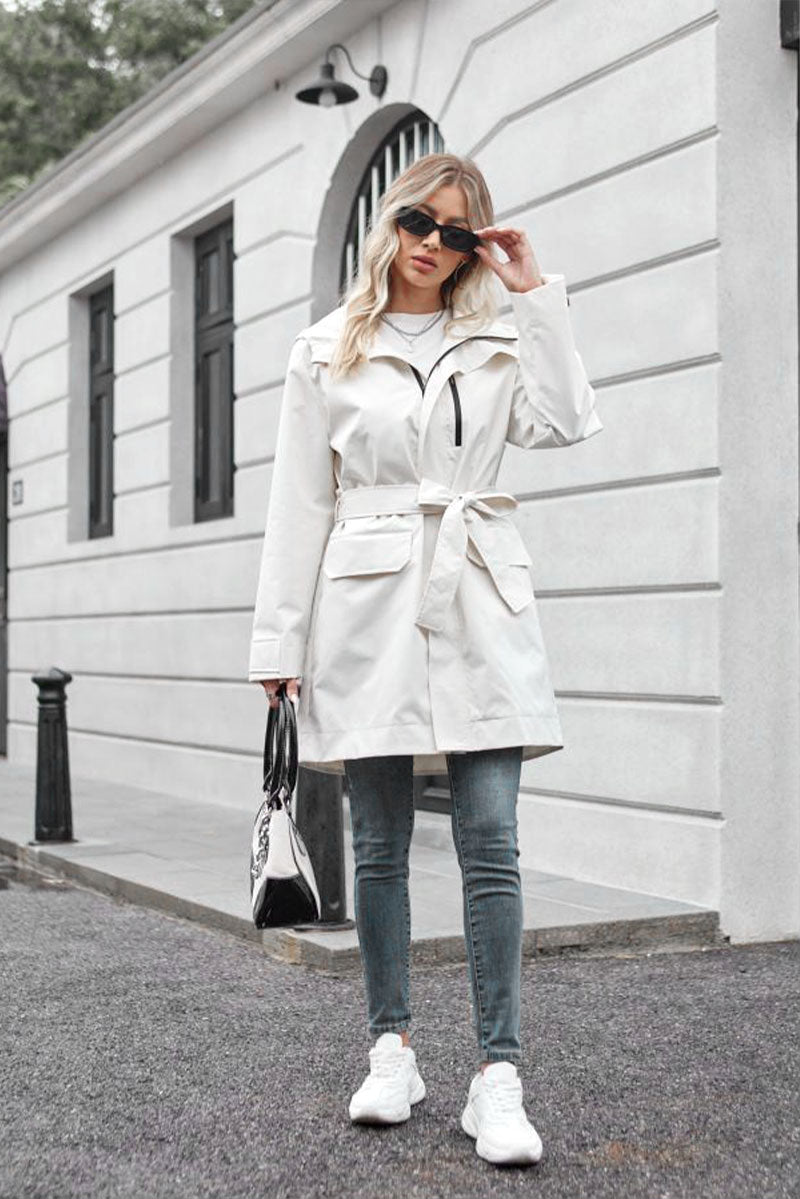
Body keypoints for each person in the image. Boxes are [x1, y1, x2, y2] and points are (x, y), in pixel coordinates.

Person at [247, 153, 602, 1166]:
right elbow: (296, 506)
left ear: (473, 244)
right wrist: (278, 641)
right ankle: (390, 1047)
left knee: (490, 834)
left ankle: (497, 1073)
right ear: (389, 223)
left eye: (455, 233)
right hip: (363, 601)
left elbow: (567, 422)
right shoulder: (324, 349)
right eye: (417, 221)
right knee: (380, 843)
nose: (430, 245)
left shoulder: (497, 332)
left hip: (480, 592)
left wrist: (536, 296)